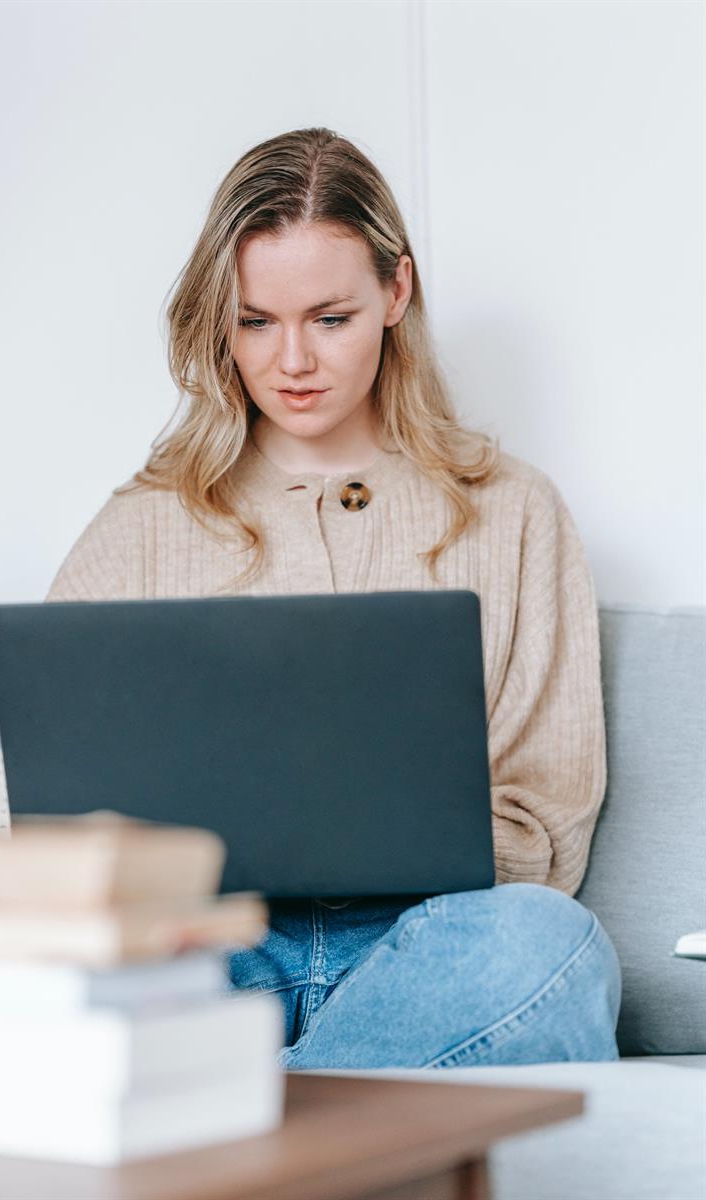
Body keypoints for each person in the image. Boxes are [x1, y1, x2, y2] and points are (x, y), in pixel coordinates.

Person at [45, 126, 622, 1069]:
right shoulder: (145, 522)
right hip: (213, 949)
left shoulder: (514, 512)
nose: (292, 362)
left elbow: (545, 831)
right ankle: (332, 1136)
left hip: (432, 946)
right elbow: (58, 790)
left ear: (397, 292)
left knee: (551, 948)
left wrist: (380, 825)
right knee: (19, 977)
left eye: (331, 317)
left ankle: (255, 1128)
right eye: (255, 321)